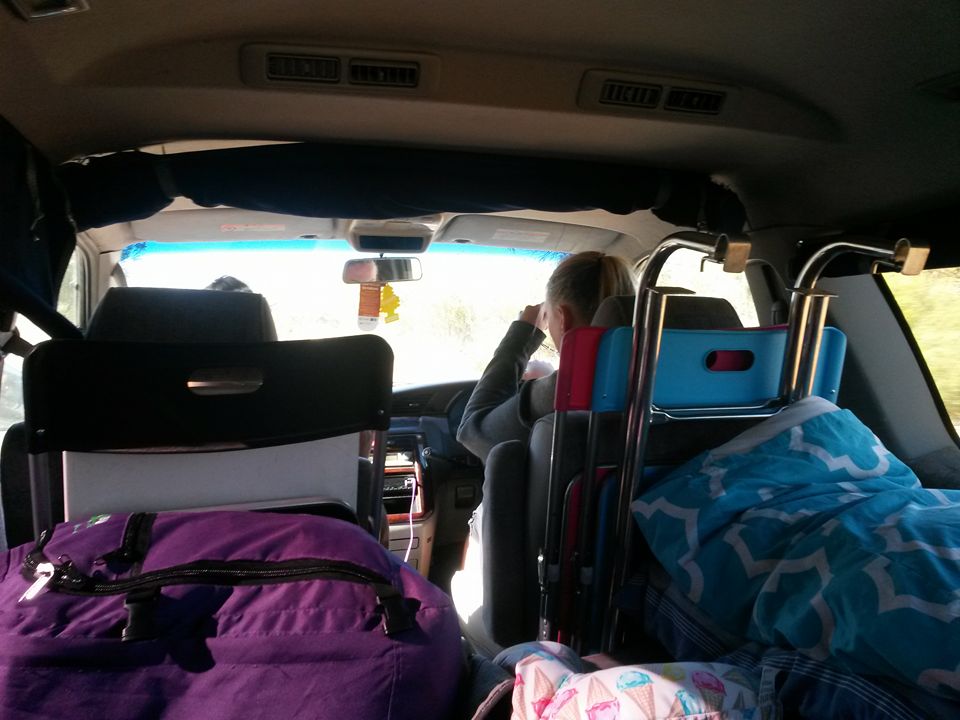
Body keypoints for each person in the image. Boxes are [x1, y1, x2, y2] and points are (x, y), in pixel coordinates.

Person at [456, 251, 635, 464]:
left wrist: (521, 336)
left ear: (563, 319)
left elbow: (472, 431)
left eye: (549, 318)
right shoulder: (655, 381)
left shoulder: (565, 387)